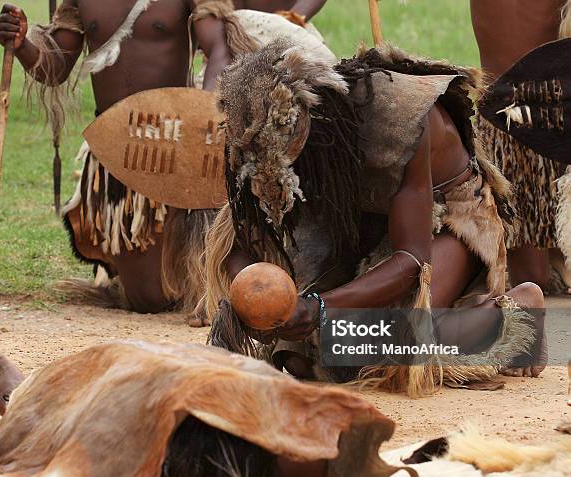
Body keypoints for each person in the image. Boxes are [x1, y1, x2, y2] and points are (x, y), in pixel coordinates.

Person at [204, 40, 548, 397]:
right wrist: (249, 302)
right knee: (306, 352)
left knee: (381, 347)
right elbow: (240, 238)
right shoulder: (254, 133)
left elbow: (411, 261)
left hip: (448, 219)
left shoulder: (404, 120)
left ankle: (513, 316)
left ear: (318, 137)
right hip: (359, 220)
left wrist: (319, 307)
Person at [0, 0, 235, 324]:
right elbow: (54, 68)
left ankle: (220, 281)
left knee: (186, 285)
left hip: (176, 145)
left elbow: (220, 46)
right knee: (147, 299)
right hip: (117, 155)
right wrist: (22, 44)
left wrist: (203, 112)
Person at [0, 342, 402, 477]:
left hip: (213, 439)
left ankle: (27, 403)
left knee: (141, 379)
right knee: (151, 376)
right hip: (221, 424)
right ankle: (31, 404)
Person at [471, 0, 571, 294]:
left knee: (531, 276)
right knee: (532, 279)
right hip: (543, 125)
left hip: (497, 126)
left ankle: (548, 253)